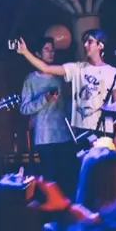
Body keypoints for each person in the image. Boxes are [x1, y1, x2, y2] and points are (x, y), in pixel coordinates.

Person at [17, 29, 116, 152]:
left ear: (100, 45)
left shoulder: (112, 72)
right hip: (82, 131)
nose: (85, 45)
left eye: (90, 42)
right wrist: (25, 52)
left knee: (105, 169)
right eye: (84, 42)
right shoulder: (77, 68)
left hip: (105, 130)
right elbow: (46, 68)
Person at [20, 36, 76, 196]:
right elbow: (24, 108)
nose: (51, 53)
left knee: (68, 182)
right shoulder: (31, 80)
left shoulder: (60, 75)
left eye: (53, 50)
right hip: (45, 138)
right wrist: (44, 99)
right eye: (47, 50)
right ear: (37, 54)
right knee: (50, 184)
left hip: (65, 135)